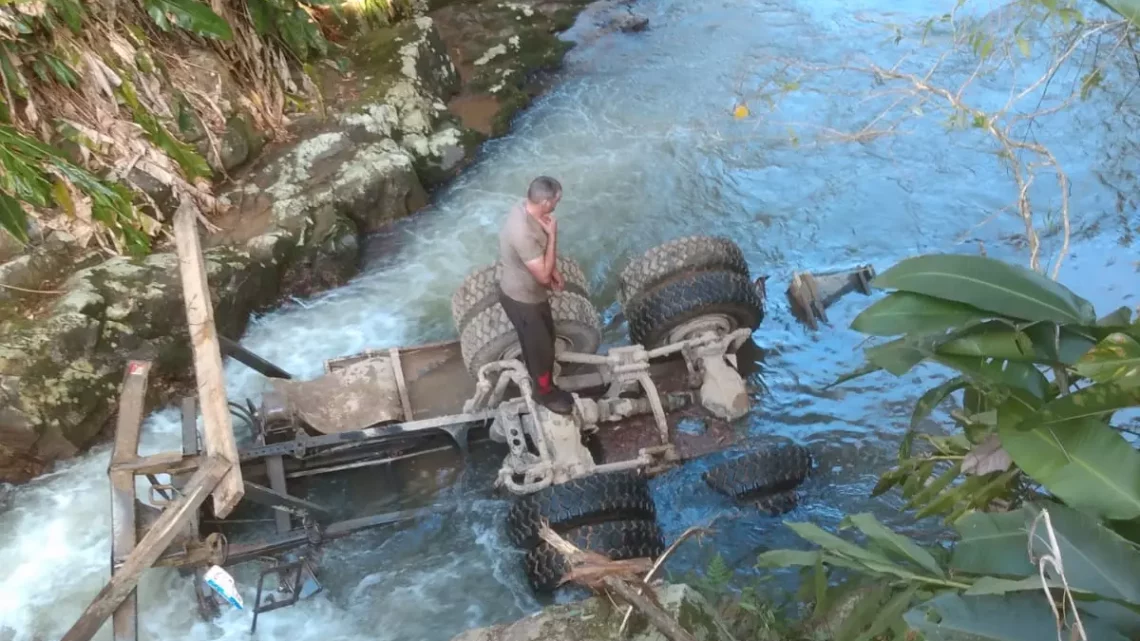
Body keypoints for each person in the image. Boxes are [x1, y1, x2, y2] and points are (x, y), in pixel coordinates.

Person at [497, 176, 575, 415]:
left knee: (545, 338)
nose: (557, 205)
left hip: (530, 292)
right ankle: (544, 394)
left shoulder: (525, 207)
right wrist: (553, 235)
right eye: (555, 201)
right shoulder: (523, 233)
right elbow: (541, 276)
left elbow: (542, 267)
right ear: (543, 202)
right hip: (522, 299)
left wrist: (555, 272)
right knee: (541, 351)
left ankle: (540, 375)